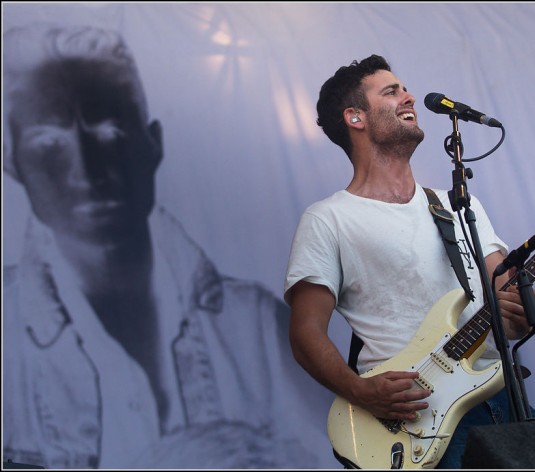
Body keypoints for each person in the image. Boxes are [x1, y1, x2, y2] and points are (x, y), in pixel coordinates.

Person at [2, 23, 331, 469]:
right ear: (13, 161)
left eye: (110, 134)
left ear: (151, 144)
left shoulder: (254, 325)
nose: (88, 169)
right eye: (50, 142)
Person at [284, 54, 535, 469]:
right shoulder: (329, 218)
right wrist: (360, 391)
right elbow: (304, 332)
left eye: (404, 88)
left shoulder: (458, 204)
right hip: (413, 417)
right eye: (391, 91)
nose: (409, 96)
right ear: (355, 117)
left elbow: (505, 300)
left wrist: (516, 314)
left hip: (499, 399)